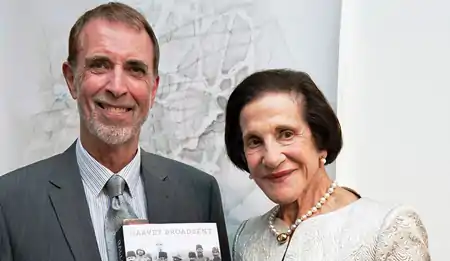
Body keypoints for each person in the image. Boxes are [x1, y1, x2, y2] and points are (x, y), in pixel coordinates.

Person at [0, 2, 230, 261]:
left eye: (135, 69)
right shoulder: (10, 203)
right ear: (71, 79)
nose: (118, 87)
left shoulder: (199, 194)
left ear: (153, 89)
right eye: (100, 65)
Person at [225, 69, 430, 260]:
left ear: (320, 140)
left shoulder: (387, 228)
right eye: (254, 141)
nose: (271, 158)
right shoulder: (241, 240)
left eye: (286, 134)